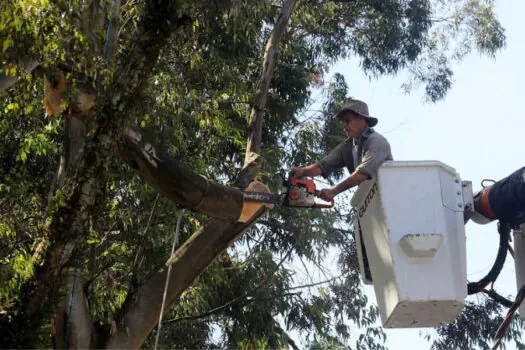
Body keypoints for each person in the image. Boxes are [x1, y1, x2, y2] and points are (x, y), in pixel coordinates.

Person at [292, 99, 393, 202]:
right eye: (343, 122)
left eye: (347, 120)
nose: (344, 125)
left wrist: (334, 191)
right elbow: (322, 166)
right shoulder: (347, 147)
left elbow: (362, 173)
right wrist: (303, 171)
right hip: (369, 201)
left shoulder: (377, 141)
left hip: (390, 197)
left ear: (361, 118)